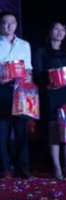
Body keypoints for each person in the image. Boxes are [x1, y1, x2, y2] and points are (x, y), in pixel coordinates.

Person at [0, 11, 33, 178]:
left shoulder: (24, 45)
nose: (10, 25)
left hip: (20, 89)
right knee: (3, 129)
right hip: (2, 88)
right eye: (6, 22)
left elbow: (28, 67)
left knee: (21, 129)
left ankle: (23, 166)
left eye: (13, 22)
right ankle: (4, 167)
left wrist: (28, 76)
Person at [33, 20, 66, 180]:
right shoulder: (41, 51)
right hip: (51, 94)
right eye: (56, 29)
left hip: (65, 93)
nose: (60, 32)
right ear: (49, 31)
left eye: (63, 30)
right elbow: (37, 73)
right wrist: (48, 85)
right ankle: (56, 167)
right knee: (54, 132)